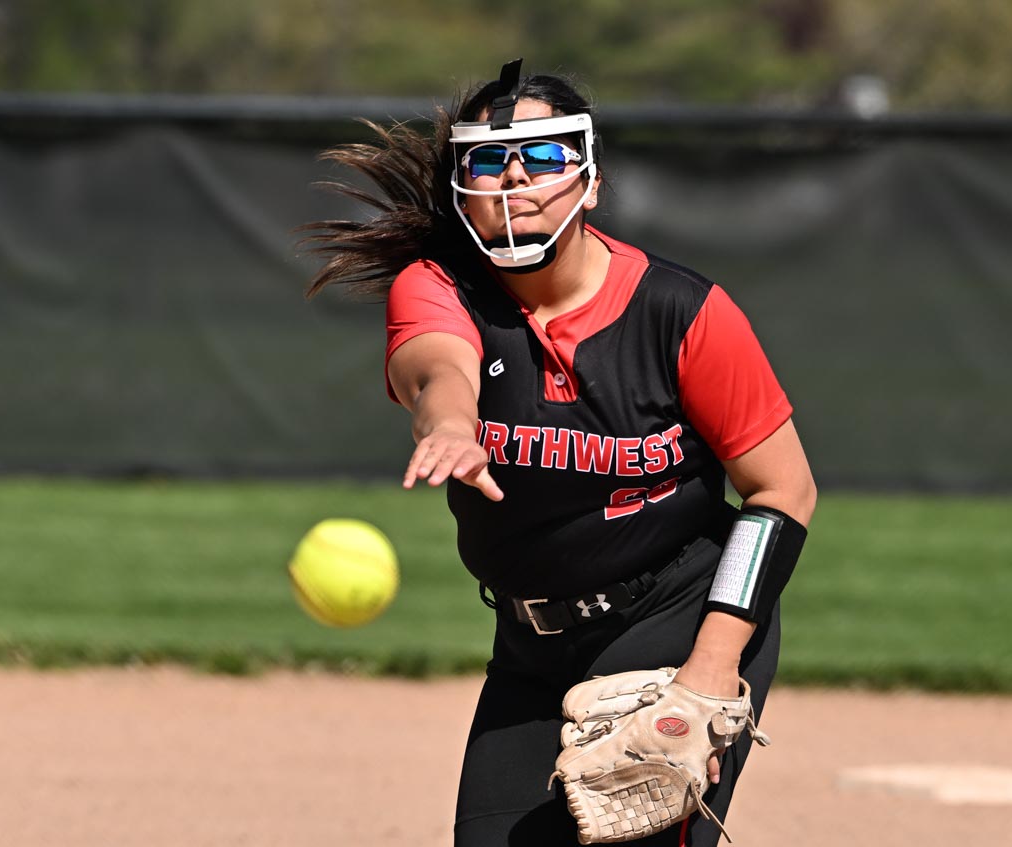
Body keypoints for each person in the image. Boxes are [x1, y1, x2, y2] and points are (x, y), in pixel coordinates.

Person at [300, 58, 817, 847]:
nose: (516, 182)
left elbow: (783, 491)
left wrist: (711, 668)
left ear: (591, 180)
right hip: (530, 644)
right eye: (488, 162)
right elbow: (439, 364)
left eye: (542, 157)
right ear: (460, 187)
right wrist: (449, 423)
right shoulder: (440, 285)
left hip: (673, 616)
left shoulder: (681, 313)